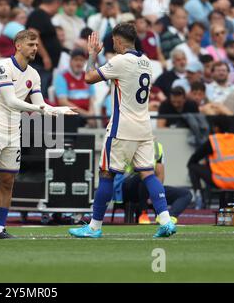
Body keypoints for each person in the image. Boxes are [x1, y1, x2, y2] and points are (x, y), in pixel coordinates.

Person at [0, 30, 76, 239]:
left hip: (13, 130)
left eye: (36, 45)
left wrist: (55, 109)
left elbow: (39, 103)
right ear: (18, 45)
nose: (35, 48)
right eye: (31, 44)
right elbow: (11, 101)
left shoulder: (34, 75)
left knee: (8, 181)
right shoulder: (2, 67)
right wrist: (46, 110)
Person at [69, 23, 177, 238]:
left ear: (118, 41)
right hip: (144, 127)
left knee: (107, 174)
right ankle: (165, 220)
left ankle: (94, 227)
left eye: (113, 42)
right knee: (148, 172)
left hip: (122, 127)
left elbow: (89, 77)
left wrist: (92, 55)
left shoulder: (120, 60)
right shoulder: (146, 62)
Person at [119, 141, 192, 224]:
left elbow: (160, 174)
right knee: (144, 175)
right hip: (129, 186)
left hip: (149, 185)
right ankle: (143, 214)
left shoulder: (157, 147)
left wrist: (156, 193)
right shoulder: (129, 144)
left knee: (186, 194)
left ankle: (168, 217)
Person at [187, 115, 234, 209]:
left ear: (216, 127)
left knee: (192, 166)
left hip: (221, 181)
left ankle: (199, 197)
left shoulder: (214, 140)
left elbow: (194, 159)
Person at [54, 48, 97, 127]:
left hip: (86, 117)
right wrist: (86, 114)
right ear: (70, 61)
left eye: (81, 60)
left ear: (85, 62)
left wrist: (91, 114)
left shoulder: (88, 76)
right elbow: (63, 102)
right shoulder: (62, 77)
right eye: (76, 60)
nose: (78, 63)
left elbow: (92, 99)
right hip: (69, 117)